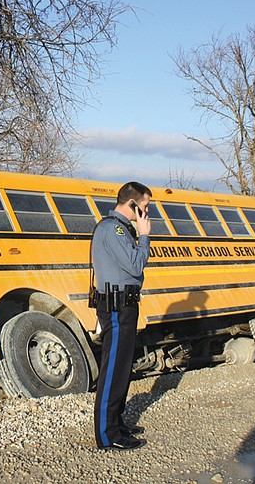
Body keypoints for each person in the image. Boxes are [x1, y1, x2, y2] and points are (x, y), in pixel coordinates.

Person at [91, 181, 152, 451]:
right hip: (116, 307)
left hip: (124, 305)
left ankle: (116, 422)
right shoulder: (113, 229)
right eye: (145, 206)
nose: (147, 212)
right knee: (113, 369)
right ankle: (107, 434)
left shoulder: (121, 230)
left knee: (123, 368)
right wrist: (145, 235)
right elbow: (136, 264)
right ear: (132, 204)